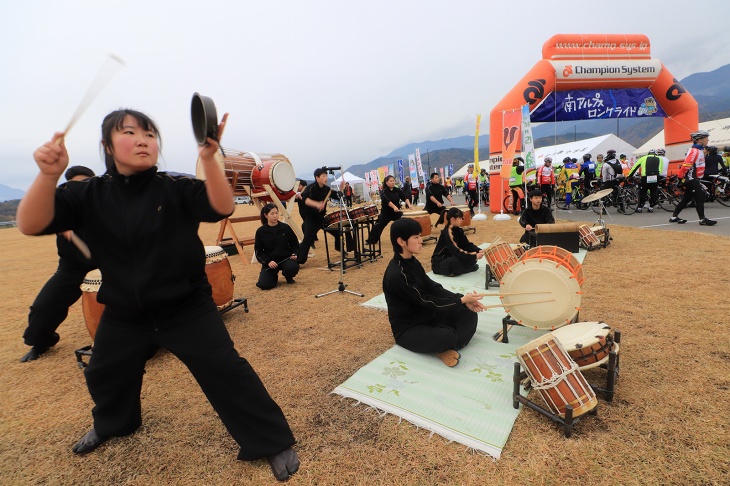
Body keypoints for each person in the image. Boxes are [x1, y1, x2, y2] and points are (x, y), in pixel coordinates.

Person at [17, 109, 299, 481]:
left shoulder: (174, 187)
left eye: (150, 134)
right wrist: (49, 175)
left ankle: (271, 440)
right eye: (130, 132)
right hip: (123, 311)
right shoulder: (86, 194)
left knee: (227, 372)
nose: (143, 139)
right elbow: (30, 223)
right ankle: (115, 423)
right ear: (107, 146)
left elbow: (221, 206)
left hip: (187, 307)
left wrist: (209, 157)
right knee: (104, 372)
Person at [382, 218, 487, 367]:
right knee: (447, 335)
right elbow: (426, 300)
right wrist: (460, 301)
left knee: (468, 313)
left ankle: (446, 344)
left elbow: (433, 288)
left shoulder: (412, 261)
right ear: (401, 241)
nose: (421, 241)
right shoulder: (397, 274)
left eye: (420, 236)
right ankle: (445, 344)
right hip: (409, 328)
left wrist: (463, 299)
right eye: (416, 237)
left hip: (428, 315)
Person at [19, 165, 97, 363]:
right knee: (44, 306)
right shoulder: (62, 204)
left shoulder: (104, 202)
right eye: (74, 186)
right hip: (73, 266)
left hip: (108, 263)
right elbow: (37, 218)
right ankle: (41, 342)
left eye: (84, 185)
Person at [297, 168, 353, 264]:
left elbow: (337, 195)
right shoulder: (310, 188)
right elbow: (305, 200)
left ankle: (339, 248)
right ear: (317, 178)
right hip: (311, 219)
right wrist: (317, 204)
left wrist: (340, 189)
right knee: (307, 240)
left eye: (326, 176)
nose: (326, 178)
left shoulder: (327, 189)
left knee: (337, 231)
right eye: (323, 176)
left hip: (322, 218)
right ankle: (299, 260)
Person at [670, 130, 717, 226]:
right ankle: (702, 219)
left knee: (686, 199)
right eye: (706, 138)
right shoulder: (694, 151)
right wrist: (680, 177)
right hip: (692, 179)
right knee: (700, 198)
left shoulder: (699, 150)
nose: (708, 140)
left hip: (695, 178)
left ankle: (674, 217)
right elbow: (686, 165)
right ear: (699, 140)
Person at [254, 203, 300, 289]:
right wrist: (268, 261)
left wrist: (294, 253)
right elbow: (259, 251)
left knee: (292, 267)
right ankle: (272, 277)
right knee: (265, 285)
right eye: (272, 213)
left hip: (285, 259)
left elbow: (294, 243)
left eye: (276, 213)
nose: (275, 216)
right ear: (266, 215)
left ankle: (288, 276)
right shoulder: (261, 231)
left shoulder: (285, 228)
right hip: (270, 262)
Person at [431, 207, 485, 277]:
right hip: (440, 262)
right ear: (453, 219)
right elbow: (456, 251)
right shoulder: (447, 233)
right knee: (455, 261)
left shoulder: (459, 230)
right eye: (460, 218)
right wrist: (474, 256)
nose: (462, 220)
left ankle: (463, 268)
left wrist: (478, 250)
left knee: (467, 259)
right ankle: (464, 268)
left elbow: (466, 245)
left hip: (452, 256)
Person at [366, 175, 412, 245]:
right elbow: (387, 200)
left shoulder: (397, 190)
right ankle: (371, 240)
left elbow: (404, 197)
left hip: (396, 213)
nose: (393, 182)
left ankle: (406, 238)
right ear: (386, 182)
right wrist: (394, 207)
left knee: (404, 223)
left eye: (393, 181)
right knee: (378, 225)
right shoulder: (383, 191)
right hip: (386, 213)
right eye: (391, 181)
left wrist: (409, 204)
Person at [294, 179, 316, 249]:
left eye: (299, 185)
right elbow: (293, 199)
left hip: (310, 213)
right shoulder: (299, 193)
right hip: (303, 214)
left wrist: (300, 197)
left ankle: (311, 243)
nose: (297, 187)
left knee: (306, 228)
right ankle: (314, 237)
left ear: (303, 186)